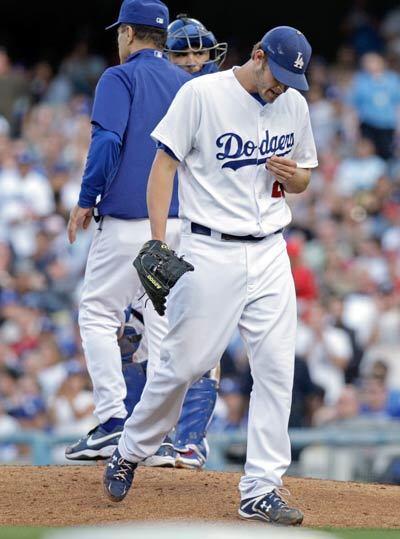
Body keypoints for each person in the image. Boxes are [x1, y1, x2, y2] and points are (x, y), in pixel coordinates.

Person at [104, 25, 318, 526]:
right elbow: (163, 166)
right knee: (183, 366)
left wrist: (297, 178)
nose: (282, 86)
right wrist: (157, 239)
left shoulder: (293, 104)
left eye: (292, 80)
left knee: (276, 369)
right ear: (258, 55)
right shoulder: (202, 93)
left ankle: (261, 486)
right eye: (278, 75)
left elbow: (306, 174)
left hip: (270, 251)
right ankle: (130, 450)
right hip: (211, 247)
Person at [64, 0, 190, 461]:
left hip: (127, 222)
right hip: (177, 223)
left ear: (130, 34)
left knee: (98, 313)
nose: (118, 39)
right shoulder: (187, 83)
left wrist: (84, 200)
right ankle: (155, 438)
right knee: (160, 326)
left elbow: (107, 142)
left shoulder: (119, 77)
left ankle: (113, 422)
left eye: (120, 32)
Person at [120, 13, 228, 470]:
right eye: (182, 52)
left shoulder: (227, 98)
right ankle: (138, 438)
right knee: (131, 333)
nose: (193, 60)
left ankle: (188, 442)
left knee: (203, 343)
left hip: (211, 233)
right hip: (165, 225)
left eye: (199, 51)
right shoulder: (165, 96)